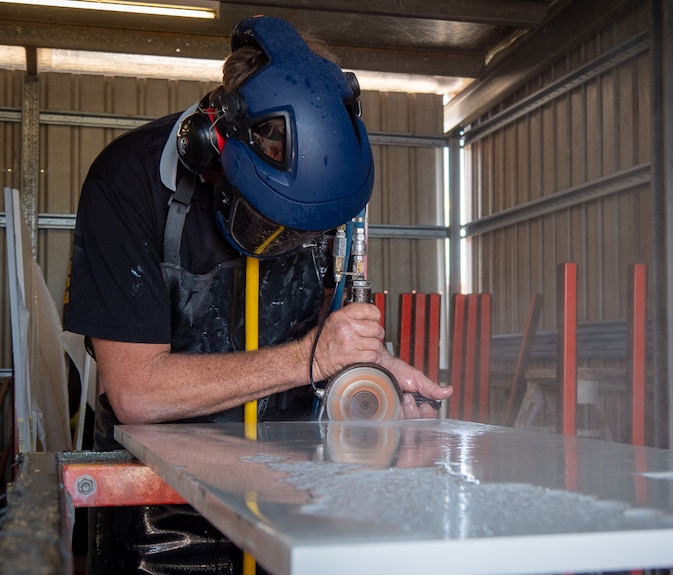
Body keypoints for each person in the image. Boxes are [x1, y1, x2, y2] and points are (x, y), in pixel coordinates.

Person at [63, 15, 452, 574]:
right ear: (215, 148)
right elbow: (138, 392)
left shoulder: (332, 188)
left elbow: (323, 335)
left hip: (293, 499)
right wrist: (311, 358)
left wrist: (372, 377)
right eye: (276, 220)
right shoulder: (127, 183)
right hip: (160, 521)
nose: (289, 241)